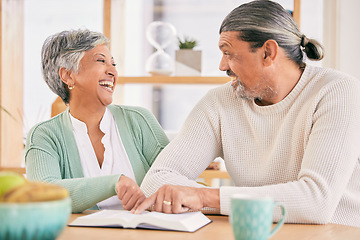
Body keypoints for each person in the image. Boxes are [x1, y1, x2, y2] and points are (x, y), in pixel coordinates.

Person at [135, 0, 360, 227]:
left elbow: (316, 202)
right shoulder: (220, 102)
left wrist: (203, 197)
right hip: (254, 232)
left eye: (229, 53)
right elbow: (156, 182)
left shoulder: (337, 91)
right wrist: (206, 199)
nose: (223, 66)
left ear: (268, 52)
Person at [25, 29, 169, 213]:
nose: (113, 71)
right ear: (68, 75)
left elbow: (175, 179)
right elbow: (42, 194)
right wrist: (113, 183)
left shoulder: (140, 121)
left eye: (113, 64)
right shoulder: (44, 135)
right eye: (101, 61)